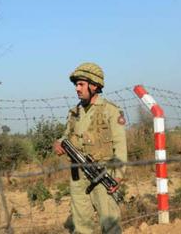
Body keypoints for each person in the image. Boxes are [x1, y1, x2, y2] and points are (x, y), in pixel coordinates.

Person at [53, 62, 127, 234]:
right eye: (76, 85)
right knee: (81, 225)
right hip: (78, 177)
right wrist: (58, 143)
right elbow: (66, 136)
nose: (77, 89)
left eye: (81, 84)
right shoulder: (74, 112)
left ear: (94, 86)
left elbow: (120, 146)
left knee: (110, 225)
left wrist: (118, 176)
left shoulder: (110, 110)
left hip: (102, 174)